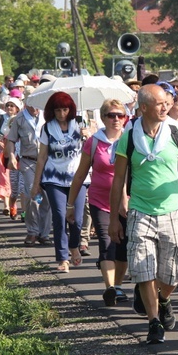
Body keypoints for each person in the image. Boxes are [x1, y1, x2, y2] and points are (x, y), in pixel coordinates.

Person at [108, 84, 178, 345]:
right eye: (159, 103)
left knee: (175, 271)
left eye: (167, 102)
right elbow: (119, 177)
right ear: (143, 107)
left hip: (172, 210)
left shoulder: (176, 131)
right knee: (144, 269)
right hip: (140, 211)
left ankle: (163, 298)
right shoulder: (129, 136)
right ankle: (154, 323)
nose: (166, 106)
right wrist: (113, 218)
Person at [67, 99, 130, 306]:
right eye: (111, 115)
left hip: (127, 202)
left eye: (120, 115)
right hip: (99, 200)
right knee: (107, 242)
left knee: (123, 247)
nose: (116, 119)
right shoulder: (94, 141)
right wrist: (70, 204)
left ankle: (118, 285)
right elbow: (79, 175)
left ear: (125, 118)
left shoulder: (131, 141)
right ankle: (110, 288)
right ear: (103, 118)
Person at [31, 92, 86, 273]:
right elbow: (42, 156)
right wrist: (36, 183)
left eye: (65, 109)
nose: (62, 113)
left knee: (77, 220)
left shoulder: (80, 124)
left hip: (78, 178)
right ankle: (63, 258)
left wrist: (88, 134)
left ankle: (74, 245)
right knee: (60, 216)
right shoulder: (47, 128)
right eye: (58, 110)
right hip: (54, 178)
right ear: (51, 111)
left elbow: (89, 151)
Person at [6, 89, 52, 246]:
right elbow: (11, 140)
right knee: (32, 194)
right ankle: (32, 231)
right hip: (28, 161)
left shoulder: (48, 117)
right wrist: (12, 157)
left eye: (36, 102)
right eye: (30, 103)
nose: (34, 107)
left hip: (47, 161)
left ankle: (44, 233)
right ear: (25, 103)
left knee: (47, 197)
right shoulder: (19, 118)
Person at [0, 97, 22, 217]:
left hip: (18, 152)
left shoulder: (21, 118)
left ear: (17, 108)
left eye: (12, 106)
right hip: (2, 152)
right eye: (8, 105)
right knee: (4, 178)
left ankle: (13, 204)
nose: (9, 108)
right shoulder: (1, 117)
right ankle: (7, 205)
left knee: (16, 182)